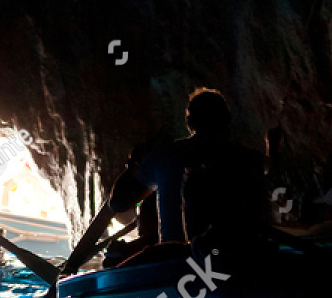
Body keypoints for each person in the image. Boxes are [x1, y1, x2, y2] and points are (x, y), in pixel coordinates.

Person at [105, 88, 266, 265]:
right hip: (240, 258)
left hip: (175, 261)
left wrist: (134, 164)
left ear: (190, 123)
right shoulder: (252, 160)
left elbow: (119, 203)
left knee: (111, 263)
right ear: (228, 120)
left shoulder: (166, 156)